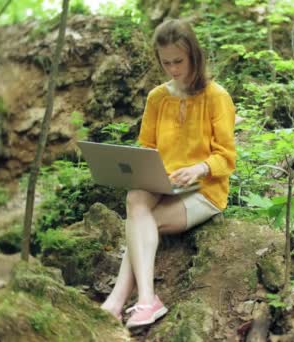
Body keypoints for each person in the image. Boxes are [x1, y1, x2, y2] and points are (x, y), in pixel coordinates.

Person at [100, 18, 236, 329]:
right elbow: (146, 146)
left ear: (194, 57)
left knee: (144, 222)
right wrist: (143, 169)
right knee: (136, 198)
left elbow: (227, 158)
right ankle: (145, 300)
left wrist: (200, 168)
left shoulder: (216, 97)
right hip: (165, 182)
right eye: (166, 62)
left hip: (206, 189)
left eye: (179, 61)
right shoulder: (157, 98)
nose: (173, 68)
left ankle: (122, 301)